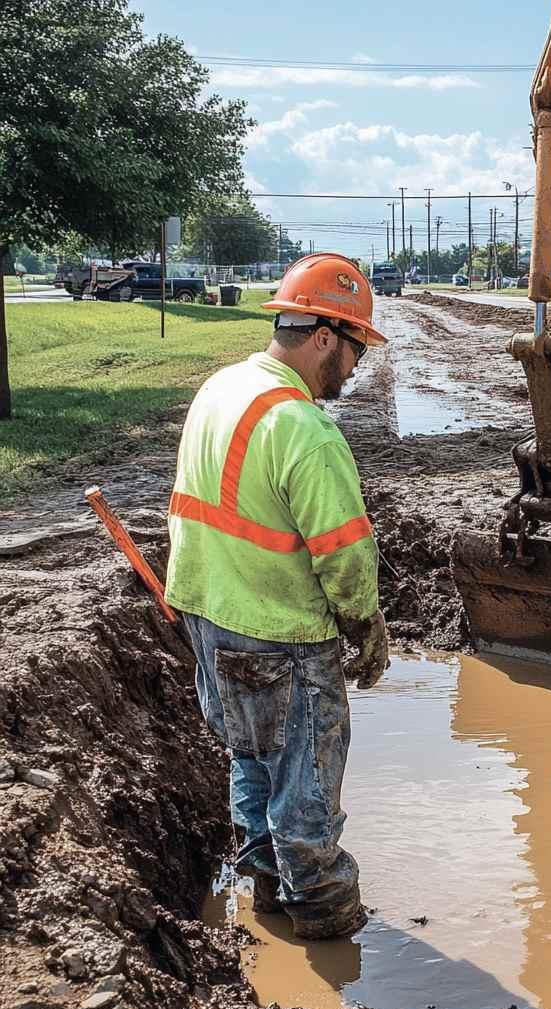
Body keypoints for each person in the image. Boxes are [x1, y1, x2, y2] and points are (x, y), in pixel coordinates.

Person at [164, 252, 389, 940]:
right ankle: (323, 918)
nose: (353, 370)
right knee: (307, 784)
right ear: (325, 336)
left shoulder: (221, 387)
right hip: (279, 634)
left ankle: (266, 893)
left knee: (251, 759)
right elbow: (345, 555)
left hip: (207, 617)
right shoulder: (304, 428)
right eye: (353, 351)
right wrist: (366, 626)